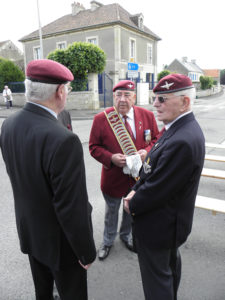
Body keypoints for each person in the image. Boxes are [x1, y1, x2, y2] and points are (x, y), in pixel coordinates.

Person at [0, 59, 96, 300]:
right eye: (68, 88)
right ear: (60, 91)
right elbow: (71, 207)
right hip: (61, 245)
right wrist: (85, 253)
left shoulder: (8, 124)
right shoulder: (64, 139)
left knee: (42, 292)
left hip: (31, 233)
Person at [123, 74, 205, 300]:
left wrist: (132, 201)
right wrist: (136, 187)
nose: (155, 104)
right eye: (155, 98)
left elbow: (159, 188)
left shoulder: (183, 139)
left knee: (157, 282)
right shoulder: (176, 128)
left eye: (162, 99)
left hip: (160, 226)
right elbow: (152, 168)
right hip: (166, 224)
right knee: (167, 272)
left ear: (185, 102)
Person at [89, 80, 159, 260]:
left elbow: (157, 140)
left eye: (127, 95)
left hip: (137, 178)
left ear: (134, 97)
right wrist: (110, 158)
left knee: (131, 209)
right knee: (111, 212)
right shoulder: (102, 119)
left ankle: (125, 236)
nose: (122, 99)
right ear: (113, 97)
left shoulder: (147, 115)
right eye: (118, 95)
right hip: (113, 176)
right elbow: (93, 147)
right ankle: (107, 241)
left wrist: (147, 151)